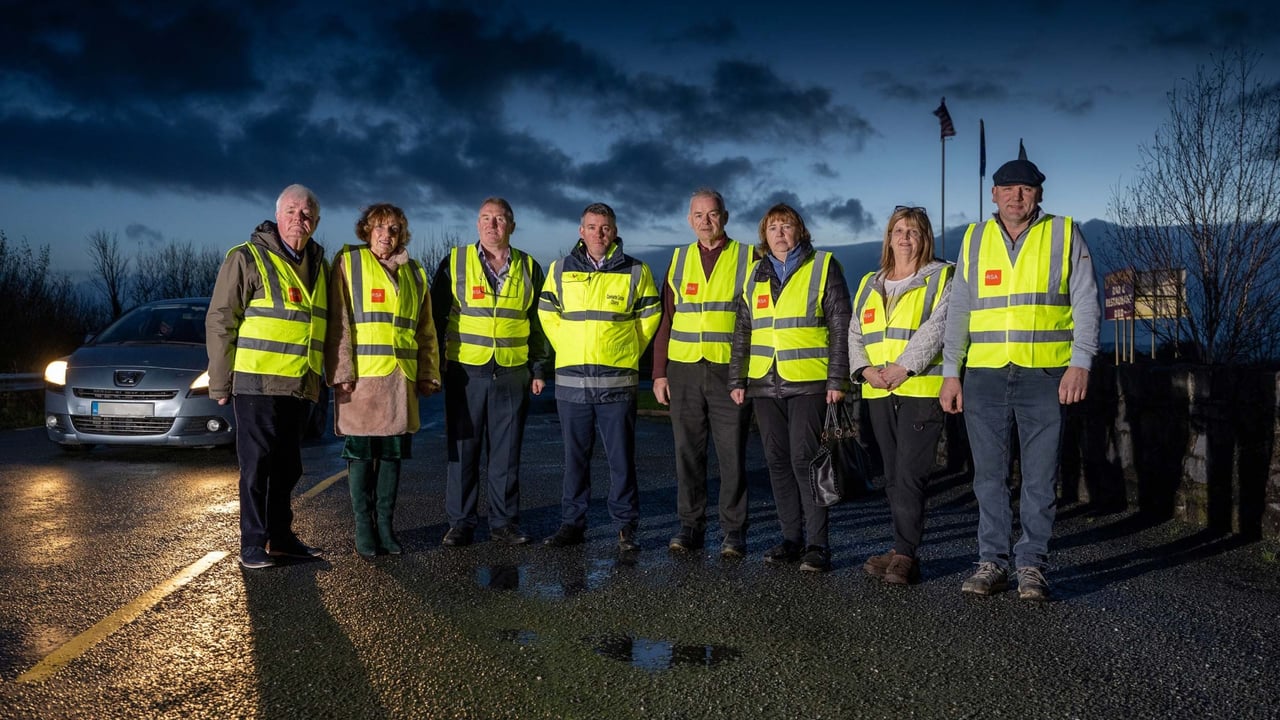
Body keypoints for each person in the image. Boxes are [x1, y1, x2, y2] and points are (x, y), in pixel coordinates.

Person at [940, 147, 1101, 601]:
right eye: (1008, 188)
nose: (1016, 196)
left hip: (1045, 375)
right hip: (986, 375)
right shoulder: (973, 239)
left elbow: (1087, 302)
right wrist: (951, 373)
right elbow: (959, 312)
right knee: (988, 476)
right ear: (993, 194)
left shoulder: (1065, 234)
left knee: (1039, 475)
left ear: (1037, 194)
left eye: (1025, 188)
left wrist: (1081, 362)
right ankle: (992, 561)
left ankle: (1032, 564)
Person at [207, 184, 329, 570]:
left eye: (307, 213)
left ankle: (282, 537)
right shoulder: (246, 258)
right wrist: (220, 381)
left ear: (316, 221)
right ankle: (253, 544)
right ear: (278, 216)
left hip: (299, 384)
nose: (299, 218)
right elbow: (222, 319)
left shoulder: (318, 264)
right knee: (257, 466)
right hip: (256, 382)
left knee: (289, 467)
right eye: (292, 210)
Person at [729, 203, 851, 573]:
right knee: (776, 461)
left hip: (809, 381)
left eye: (787, 226)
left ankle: (818, 544)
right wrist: (737, 378)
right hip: (764, 382)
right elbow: (743, 331)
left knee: (805, 459)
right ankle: (791, 539)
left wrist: (838, 378)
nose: (779, 233)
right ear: (764, 236)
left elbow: (840, 323)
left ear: (800, 231)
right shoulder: (755, 273)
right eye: (772, 228)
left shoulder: (823, 265)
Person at [539, 202, 661, 551]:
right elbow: (547, 312)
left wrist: (626, 349)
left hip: (617, 382)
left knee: (621, 459)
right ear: (581, 231)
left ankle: (625, 527)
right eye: (591, 227)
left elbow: (650, 316)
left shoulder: (636, 271)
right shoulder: (561, 269)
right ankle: (572, 524)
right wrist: (568, 343)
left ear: (614, 230)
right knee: (574, 459)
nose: (598, 233)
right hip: (572, 382)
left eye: (605, 227)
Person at [432, 197, 549, 547]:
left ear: (511, 225)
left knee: (506, 454)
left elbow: (539, 323)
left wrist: (539, 368)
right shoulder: (455, 261)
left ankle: (504, 523)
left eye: (499, 219)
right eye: (485, 218)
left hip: (513, 373)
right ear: (476, 223)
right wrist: (434, 364)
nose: (492, 224)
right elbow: (435, 318)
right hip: (466, 371)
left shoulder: (530, 266)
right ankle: (461, 523)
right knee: (463, 451)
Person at [325, 203, 441, 557]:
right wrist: (341, 371)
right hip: (360, 382)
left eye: (393, 229)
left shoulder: (415, 272)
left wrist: (428, 373)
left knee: (391, 455)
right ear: (366, 230)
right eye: (379, 227)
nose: (386, 235)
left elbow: (426, 330)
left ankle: (386, 528)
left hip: (398, 381)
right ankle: (364, 528)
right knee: (361, 455)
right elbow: (339, 322)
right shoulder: (348, 263)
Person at [849, 206, 953, 585]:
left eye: (913, 231)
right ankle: (899, 546)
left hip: (919, 388)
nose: (905, 237)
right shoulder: (869, 282)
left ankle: (907, 555)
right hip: (877, 390)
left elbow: (937, 328)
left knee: (910, 473)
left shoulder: (942, 277)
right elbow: (855, 333)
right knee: (891, 475)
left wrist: (903, 368)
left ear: (924, 237)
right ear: (888, 237)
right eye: (898, 230)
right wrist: (864, 370)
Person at [651, 189, 754, 557]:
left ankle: (734, 530)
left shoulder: (748, 256)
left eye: (712, 214)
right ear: (688, 219)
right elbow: (667, 318)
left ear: (724, 216)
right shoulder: (678, 259)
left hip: (729, 369)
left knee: (732, 454)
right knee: (687, 452)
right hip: (683, 369)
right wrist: (659, 372)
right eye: (698, 215)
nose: (705, 221)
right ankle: (690, 525)